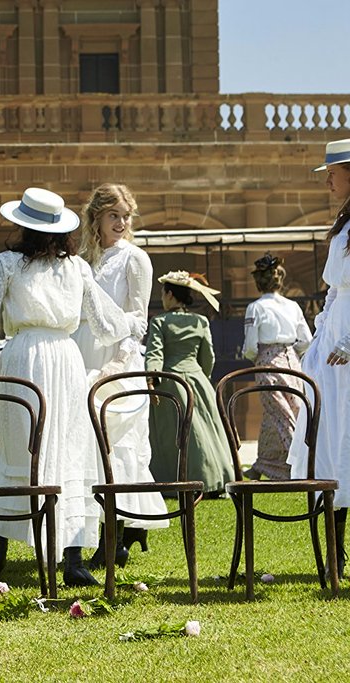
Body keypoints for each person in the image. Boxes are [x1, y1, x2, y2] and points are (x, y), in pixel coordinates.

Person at [0, 187, 146, 586]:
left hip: (23, 356)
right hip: (66, 358)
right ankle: (72, 557)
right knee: (69, 448)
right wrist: (135, 323)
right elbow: (108, 323)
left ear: (22, 227)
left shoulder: (7, 263)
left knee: (19, 448)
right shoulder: (76, 267)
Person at [74, 184, 168, 568]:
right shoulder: (81, 258)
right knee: (86, 448)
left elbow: (139, 319)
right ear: (95, 217)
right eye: (114, 215)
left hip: (118, 359)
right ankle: (89, 530)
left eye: (126, 216)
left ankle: (121, 531)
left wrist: (120, 361)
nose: (122, 222)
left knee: (119, 447)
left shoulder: (135, 259)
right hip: (83, 353)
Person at [288, 138, 350, 577]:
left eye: (333, 172)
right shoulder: (343, 223)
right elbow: (333, 292)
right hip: (331, 342)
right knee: (330, 440)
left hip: (347, 344)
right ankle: (334, 551)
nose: (327, 180)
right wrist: (320, 336)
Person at [145, 271, 233, 496]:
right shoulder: (200, 321)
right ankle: (213, 479)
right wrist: (202, 377)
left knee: (174, 434)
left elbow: (155, 355)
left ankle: (175, 481)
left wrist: (152, 380)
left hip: (171, 381)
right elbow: (208, 357)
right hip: (197, 379)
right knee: (204, 432)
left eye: (163, 293)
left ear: (170, 294)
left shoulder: (159, 322)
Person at [242, 254, 312, 480]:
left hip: (268, 363)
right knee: (285, 412)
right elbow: (307, 340)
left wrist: (255, 356)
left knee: (282, 415)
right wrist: (292, 352)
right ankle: (262, 464)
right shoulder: (293, 306)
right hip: (293, 362)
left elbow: (251, 345)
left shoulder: (255, 307)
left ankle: (301, 465)